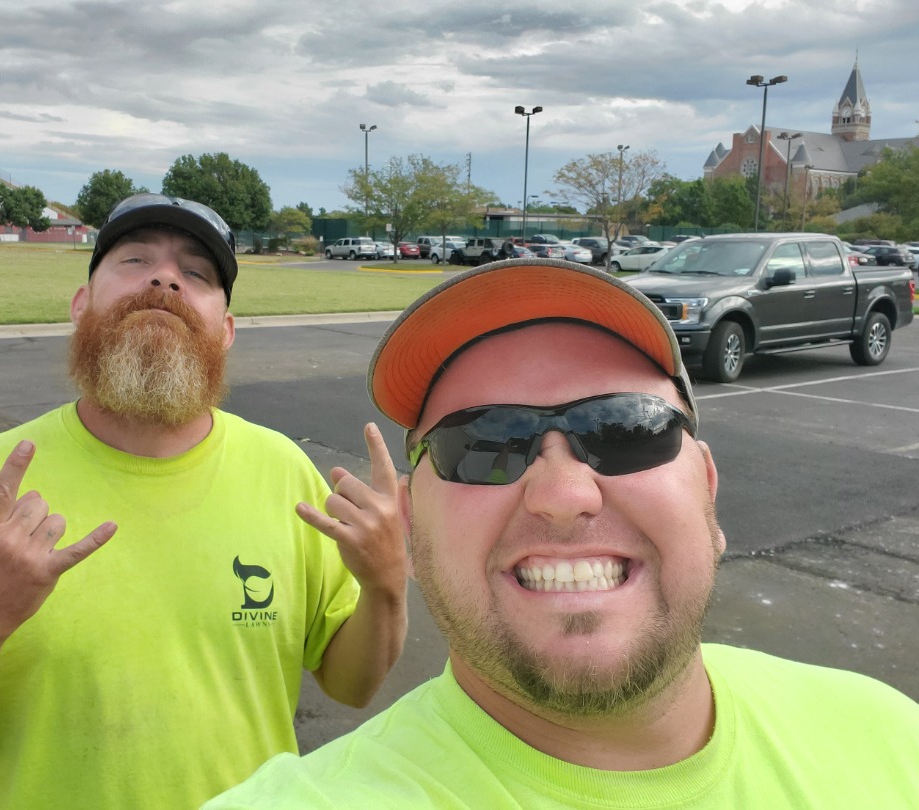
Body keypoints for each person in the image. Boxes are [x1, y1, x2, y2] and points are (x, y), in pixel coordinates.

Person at [207, 257, 919, 808]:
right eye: (482, 444)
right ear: (413, 527)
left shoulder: (889, 736)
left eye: (624, 428)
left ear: (706, 488)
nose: (563, 495)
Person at [0, 193, 408, 809]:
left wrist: (386, 583)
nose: (165, 277)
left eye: (196, 273)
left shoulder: (284, 472)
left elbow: (352, 685)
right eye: (134, 259)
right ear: (82, 305)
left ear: (224, 332)